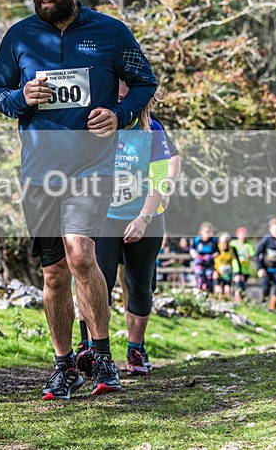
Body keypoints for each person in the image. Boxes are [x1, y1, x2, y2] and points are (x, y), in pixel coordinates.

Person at [0, 0, 157, 399]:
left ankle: (102, 357)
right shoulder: (19, 37)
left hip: (91, 167)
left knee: (81, 254)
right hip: (39, 172)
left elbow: (146, 82)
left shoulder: (110, 33)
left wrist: (120, 114)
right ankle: (64, 366)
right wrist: (22, 97)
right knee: (55, 274)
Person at [86, 82, 170, 376]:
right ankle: (91, 349)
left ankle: (135, 349)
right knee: (97, 281)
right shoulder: (96, 126)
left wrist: (143, 218)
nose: (120, 104)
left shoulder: (153, 131)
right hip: (104, 217)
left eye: (126, 98)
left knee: (140, 285)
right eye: (115, 97)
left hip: (143, 217)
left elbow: (160, 180)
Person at [190, 222, 218, 292]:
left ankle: (208, 295)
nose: (207, 234)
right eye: (205, 232)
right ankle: (199, 294)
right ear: (201, 232)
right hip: (199, 264)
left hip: (209, 265)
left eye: (208, 232)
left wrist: (210, 256)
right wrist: (196, 256)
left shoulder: (213, 240)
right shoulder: (197, 240)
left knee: (208, 281)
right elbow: (191, 249)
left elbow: (217, 252)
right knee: (199, 278)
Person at [231, 227, 255, 303]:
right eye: (241, 235)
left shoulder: (249, 245)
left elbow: (253, 256)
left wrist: (249, 256)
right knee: (238, 282)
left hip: (245, 269)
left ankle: (241, 302)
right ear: (237, 235)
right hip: (236, 268)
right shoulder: (233, 243)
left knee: (242, 286)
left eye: (244, 235)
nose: (243, 236)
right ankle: (236, 300)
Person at [213, 232, 240, 298]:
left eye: (227, 242)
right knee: (218, 290)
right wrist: (214, 271)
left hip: (228, 274)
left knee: (227, 290)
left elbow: (236, 262)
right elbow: (211, 260)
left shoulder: (233, 249)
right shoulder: (216, 248)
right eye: (223, 242)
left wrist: (237, 274)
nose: (225, 244)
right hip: (218, 273)